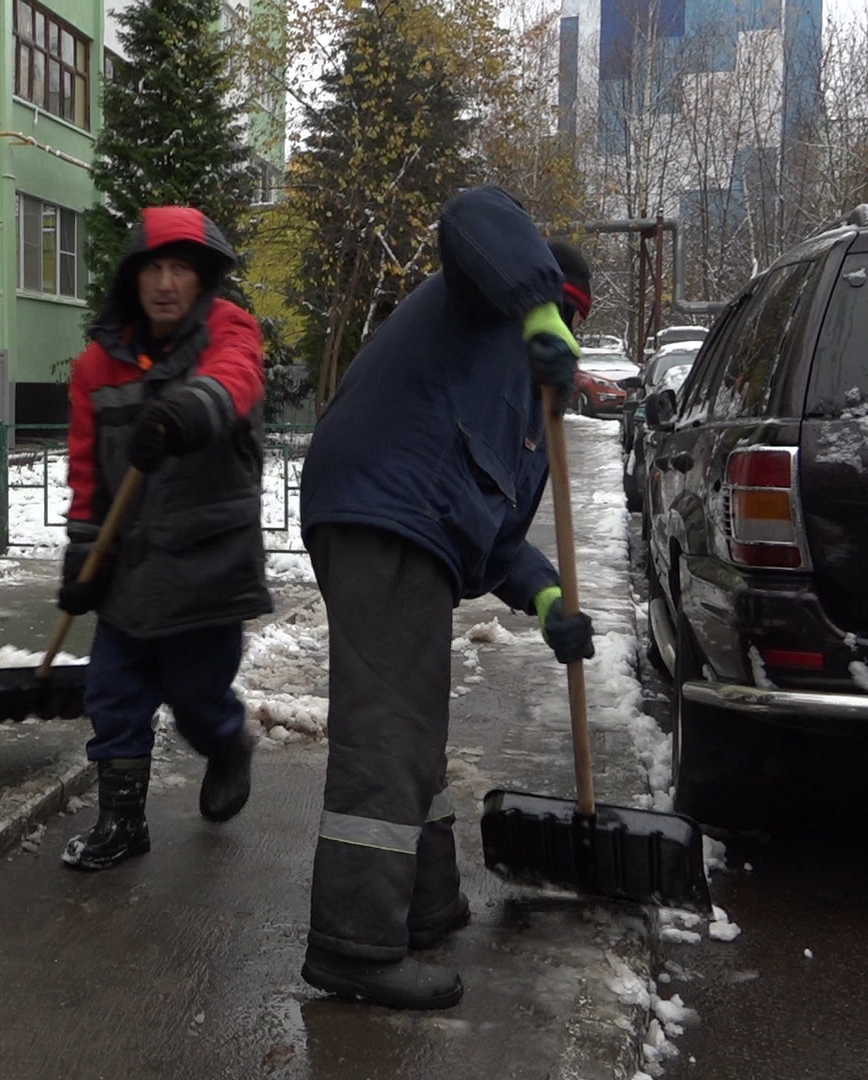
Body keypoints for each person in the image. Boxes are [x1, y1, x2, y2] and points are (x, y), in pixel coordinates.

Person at [295, 186, 598, 1010]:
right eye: (558, 312)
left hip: (409, 525)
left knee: (414, 721)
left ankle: (424, 905)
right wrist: (533, 306)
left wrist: (547, 603)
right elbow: (475, 213)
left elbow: (498, 535)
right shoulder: (482, 299)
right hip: (383, 506)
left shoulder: (537, 409)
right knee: (389, 727)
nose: (563, 332)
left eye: (572, 321)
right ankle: (353, 943)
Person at [55, 207, 270, 872]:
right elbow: (88, 470)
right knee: (113, 694)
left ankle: (228, 743)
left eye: (181, 267)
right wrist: (82, 556)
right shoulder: (99, 365)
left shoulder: (226, 330)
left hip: (208, 564)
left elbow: (236, 376)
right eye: (154, 267)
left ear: (200, 277)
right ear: (133, 278)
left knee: (195, 697)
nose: (167, 282)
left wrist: (184, 409)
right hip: (131, 568)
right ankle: (123, 824)